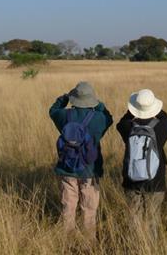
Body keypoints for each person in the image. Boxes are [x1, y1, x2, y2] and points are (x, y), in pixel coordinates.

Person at [49, 81, 113, 239]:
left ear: (74, 99)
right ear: (91, 99)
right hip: (90, 169)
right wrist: (98, 104)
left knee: (68, 205)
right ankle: (89, 239)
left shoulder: (64, 115)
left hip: (67, 168)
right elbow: (109, 118)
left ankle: (68, 237)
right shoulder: (99, 118)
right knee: (89, 207)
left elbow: (53, 111)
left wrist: (64, 99)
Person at [116, 89, 167, 240]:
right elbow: (166, 118)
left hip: (131, 179)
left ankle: (135, 246)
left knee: (133, 218)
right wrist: (156, 109)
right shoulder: (163, 127)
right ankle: (151, 247)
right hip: (156, 180)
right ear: (154, 107)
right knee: (153, 218)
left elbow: (121, 122)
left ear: (135, 108)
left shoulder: (127, 127)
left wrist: (132, 111)